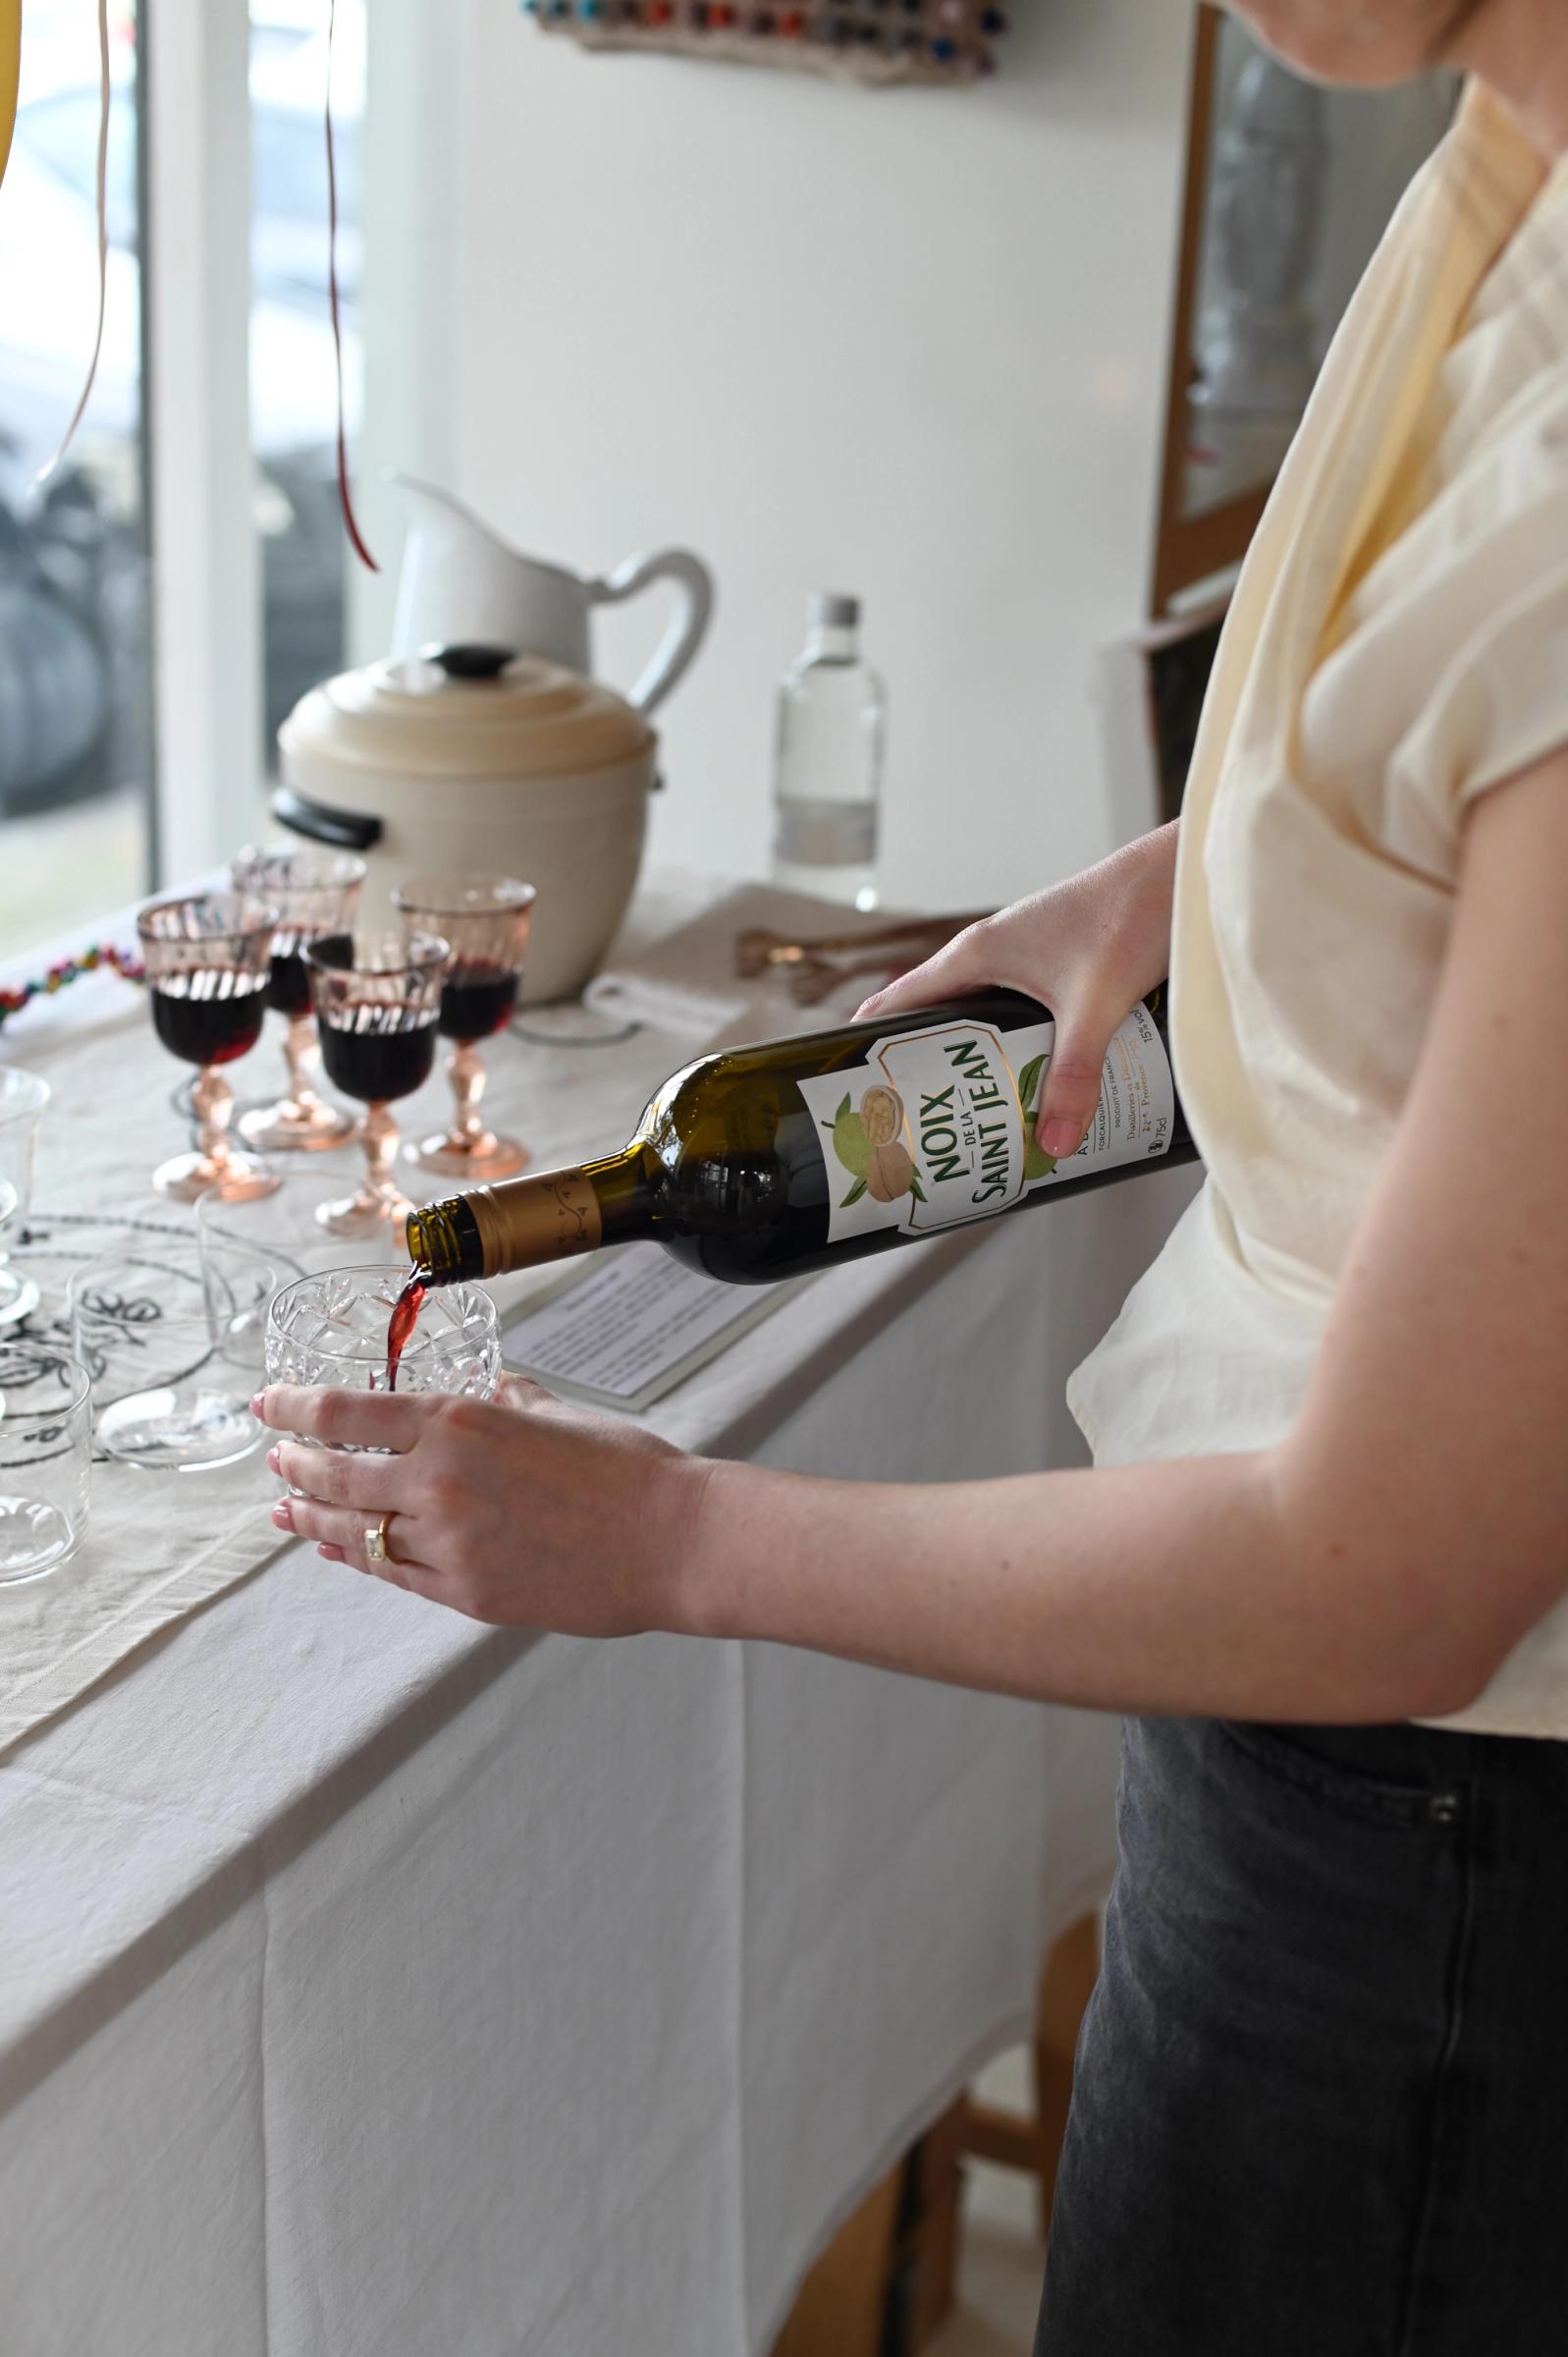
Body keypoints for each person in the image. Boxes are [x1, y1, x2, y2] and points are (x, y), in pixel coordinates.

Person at [255, 2, 1568, 2345]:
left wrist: (665, 1538)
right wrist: (1177, 874)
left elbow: (1384, 1579)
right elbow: (1468, 728)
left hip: (1444, 1848)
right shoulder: (1508, 149)